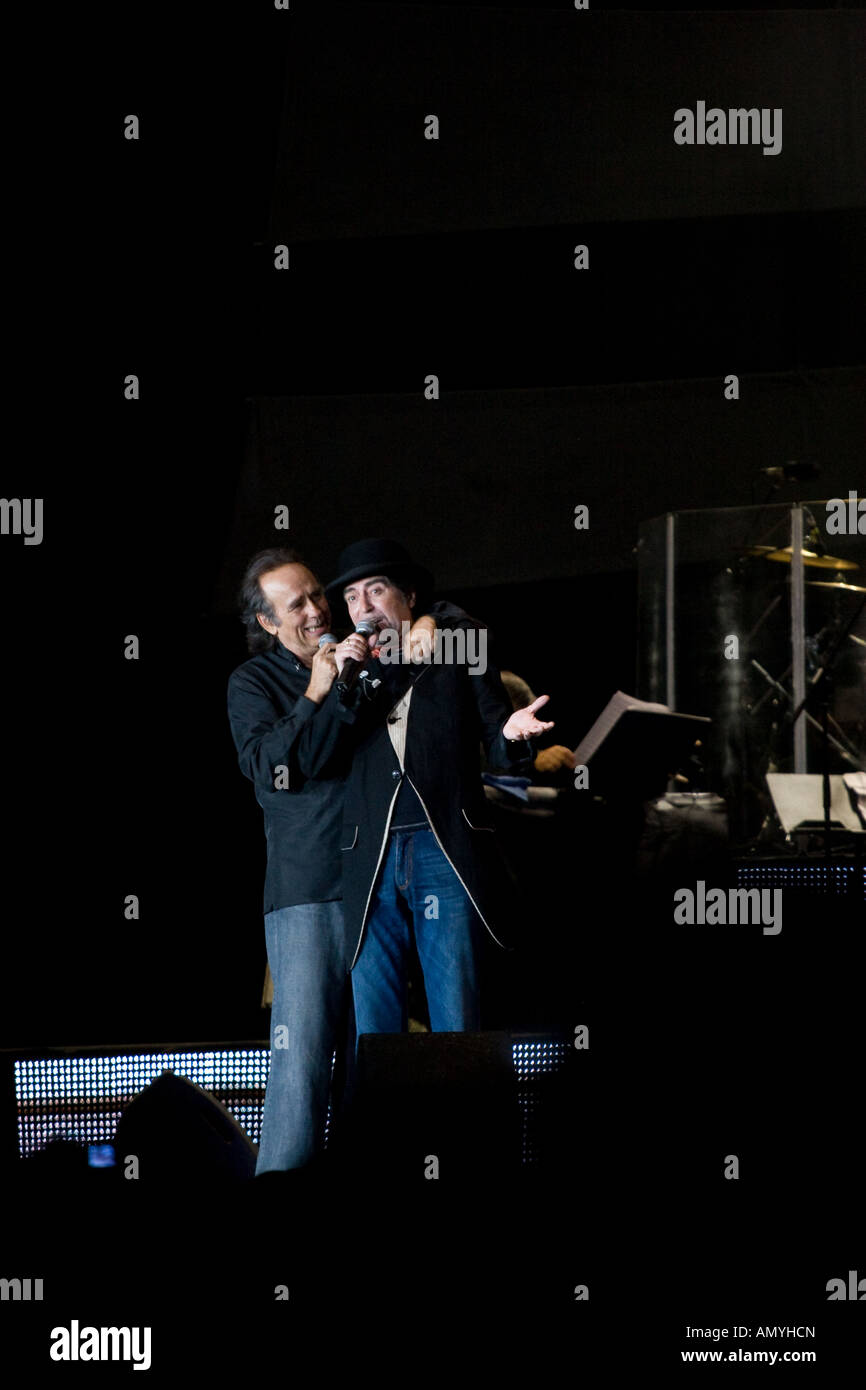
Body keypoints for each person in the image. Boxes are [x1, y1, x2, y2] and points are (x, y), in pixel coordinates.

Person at [226, 546, 449, 1172]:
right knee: (301, 1063)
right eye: (294, 605)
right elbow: (272, 774)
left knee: (371, 1055)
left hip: (376, 879)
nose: (316, 610)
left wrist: (430, 621)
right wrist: (316, 693)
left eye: (317, 594)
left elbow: (426, 618)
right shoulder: (253, 682)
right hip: (309, 888)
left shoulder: (359, 653)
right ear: (268, 624)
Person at [305, 538, 556, 1039]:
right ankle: (386, 1120)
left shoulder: (454, 643)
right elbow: (315, 759)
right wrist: (340, 686)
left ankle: (460, 1118)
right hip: (368, 855)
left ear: (410, 596)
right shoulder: (346, 670)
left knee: (455, 1015)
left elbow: (495, 728)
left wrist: (510, 734)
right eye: (353, 598)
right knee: (374, 1028)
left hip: (442, 845)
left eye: (377, 591)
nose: (365, 607)